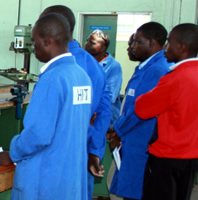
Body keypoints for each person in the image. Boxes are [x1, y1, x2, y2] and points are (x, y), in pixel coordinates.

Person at [0, 13, 92, 200]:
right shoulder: (81, 76)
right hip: (70, 178)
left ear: (47, 41)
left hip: (46, 180)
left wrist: (13, 152)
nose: (33, 48)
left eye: (34, 42)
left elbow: (38, 134)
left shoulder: (52, 79)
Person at [40, 6, 112, 198]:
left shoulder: (59, 69)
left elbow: (43, 128)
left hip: (56, 157)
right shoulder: (93, 65)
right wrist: (95, 151)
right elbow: (105, 112)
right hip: (83, 151)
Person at [109, 22, 172, 200]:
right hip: (133, 141)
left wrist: (116, 128)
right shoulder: (146, 67)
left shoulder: (157, 70)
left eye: (137, 42)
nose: (133, 46)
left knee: (138, 192)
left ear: (151, 43)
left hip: (141, 143)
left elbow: (140, 109)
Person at [136, 23, 198, 200]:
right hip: (192, 158)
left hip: (167, 158)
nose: (165, 47)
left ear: (181, 47)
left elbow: (142, 109)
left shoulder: (175, 78)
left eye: (169, 42)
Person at [84, 29, 122, 126]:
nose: (86, 45)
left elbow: (110, 96)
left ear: (102, 47)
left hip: (104, 120)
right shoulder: (85, 63)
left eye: (91, 43)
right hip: (87, 116)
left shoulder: (113, 66)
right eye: (87, 41)